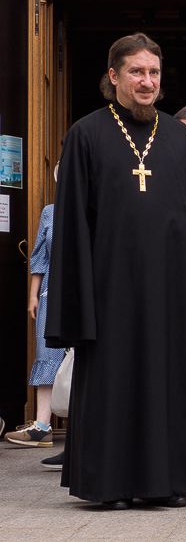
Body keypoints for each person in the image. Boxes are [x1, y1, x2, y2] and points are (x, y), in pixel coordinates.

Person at [45, 33, 186, 509]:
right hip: (110, 288)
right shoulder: (86, 134)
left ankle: (167, 482)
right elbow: (72, 227)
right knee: (114, 381)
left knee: (170, 378)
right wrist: (77, 301)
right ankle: (109, 484)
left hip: (171, 287)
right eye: (136, 72)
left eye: (154, 73)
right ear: (113, 77)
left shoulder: (179, 137)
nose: (147, 82)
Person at [5, 172, 65, 451]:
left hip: (86, 293)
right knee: (46, 353)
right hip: (51, 293)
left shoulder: (95, 206)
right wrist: (32, 295)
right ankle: (42, 426)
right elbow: (40, 255)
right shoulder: (49, 212)